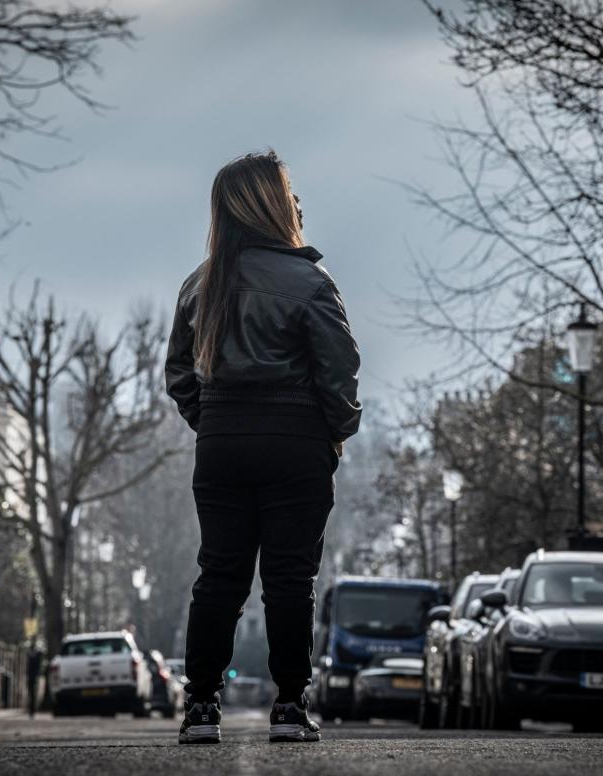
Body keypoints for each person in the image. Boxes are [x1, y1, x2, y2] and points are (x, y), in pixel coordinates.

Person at [165, 150, 361, 744]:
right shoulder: (309, 281)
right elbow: (339, 373)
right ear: (275, 204)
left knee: (219, 573)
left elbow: (178, 375)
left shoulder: (200, 284)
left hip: (222, 442)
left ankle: (201, 705)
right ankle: (289, 706)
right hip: (295, 442)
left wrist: (214, 422)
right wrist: (334, 435)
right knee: (288, 578)